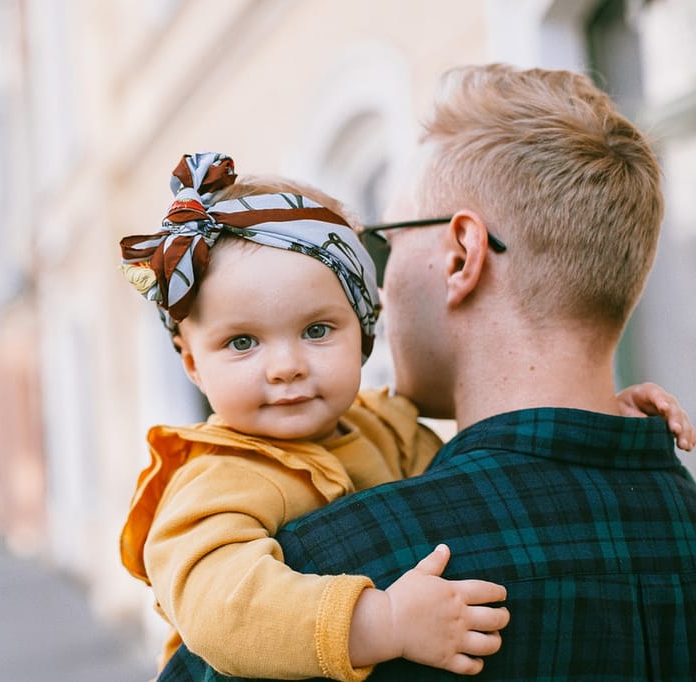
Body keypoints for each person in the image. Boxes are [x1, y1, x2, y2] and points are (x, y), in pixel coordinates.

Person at [159, 65, 696, 681]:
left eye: (386, 242)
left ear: (461, 256)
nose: (380, 289)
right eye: (243, 342)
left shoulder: (327, 571)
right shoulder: (681, 517)